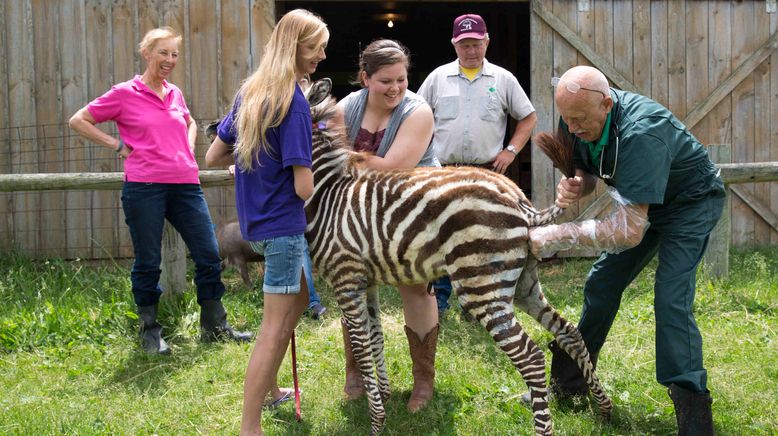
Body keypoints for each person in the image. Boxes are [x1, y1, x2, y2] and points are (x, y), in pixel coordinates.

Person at [527, 65, 724, 435]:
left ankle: (695, 418)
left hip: (689, 203)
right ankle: (570, 382)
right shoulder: (575, 113)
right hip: (643, 202)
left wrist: (554, 236)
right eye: (566, 119)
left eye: (580, 120)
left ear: (606, 102)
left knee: (671, 298)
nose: (571, 128)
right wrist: (575, 187)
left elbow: (629, 232)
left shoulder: (642, 133)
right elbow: (586, 172)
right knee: (602, 283)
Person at [68, 26, 252, 355]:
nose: (169, 60)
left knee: (210, 255)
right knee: (149, 262)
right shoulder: (124, 93)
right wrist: (116, 144)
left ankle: (215, 326)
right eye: (163, 53)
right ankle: (150, 331)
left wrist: (189, 138)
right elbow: (78, 120)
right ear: (147, 53)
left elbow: (190, 121)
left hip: (185, 185)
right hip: (144, 187)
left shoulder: (175, 93)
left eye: (174, 54)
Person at [204, 9, 328, 436]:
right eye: (316, 48)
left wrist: (246, 169)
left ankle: (275, 388)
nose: (322, 56)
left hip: (258, 226)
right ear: (294, 48)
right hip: (283, 227)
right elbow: (303, 187)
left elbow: (214, 155)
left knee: (300, 299)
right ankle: (249, 427)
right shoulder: (293, 102)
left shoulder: (249, 94)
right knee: (273, 329)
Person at [331, 39, 439, 412]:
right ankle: (357, 370)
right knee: (352, 285)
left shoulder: (418, 111)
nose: (395, 88)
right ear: (365, 78)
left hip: (411, 210)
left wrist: (345, 157)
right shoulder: (347, 107)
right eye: (385, 81)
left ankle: (423, 380)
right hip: (361, 213)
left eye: (402, 80)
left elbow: (396, 168)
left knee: (414, 288)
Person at [417, 13, 537, 316]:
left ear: (487, 41)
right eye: (464, 45)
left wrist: (510, 150)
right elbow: (415, 116)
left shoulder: (503, 79)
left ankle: (480, 303)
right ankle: (441, 301)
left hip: (486, 172)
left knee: (483, 238)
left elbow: (528, 117)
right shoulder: (437, 78)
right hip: (444, 171)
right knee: (443, 237)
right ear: (454, 44)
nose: (471, 50)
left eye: (476, 44)